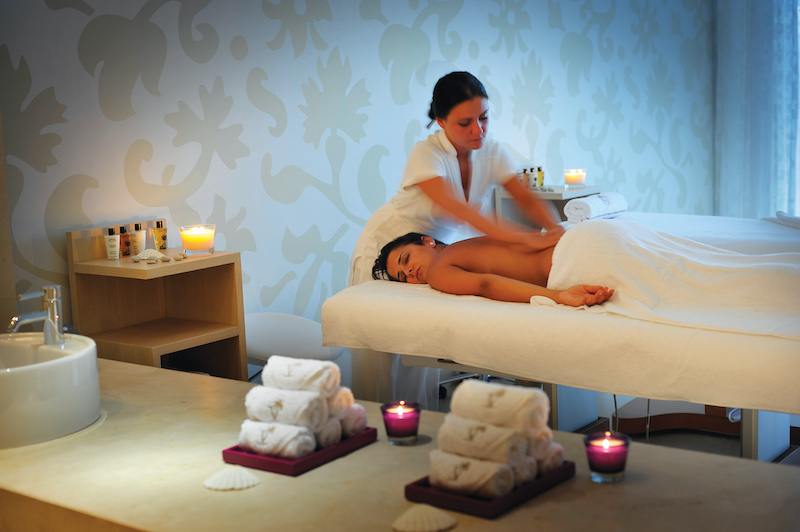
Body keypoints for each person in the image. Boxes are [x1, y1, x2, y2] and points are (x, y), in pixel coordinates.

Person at [348, 71, 563, 407]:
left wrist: (555, 231)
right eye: (465, 123)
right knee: (380, 350)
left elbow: (525, 196)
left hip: (431, 250)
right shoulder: (427, 154)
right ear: (441, 121)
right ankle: (371, 420)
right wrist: (524, 239)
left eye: (484, 118)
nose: (478, 130)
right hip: (392, 248)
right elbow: (462, 211)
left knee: (421, 341)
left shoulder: (490, 151)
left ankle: (418, 418)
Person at [372, 232, 614, 307]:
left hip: (569, 258)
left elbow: (485, 284)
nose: (409, 272)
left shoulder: (438, 270)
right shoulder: (465, 246)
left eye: (406, 259)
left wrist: (558, 296)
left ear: (427, 241)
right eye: (402, 277)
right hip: (580, 238)